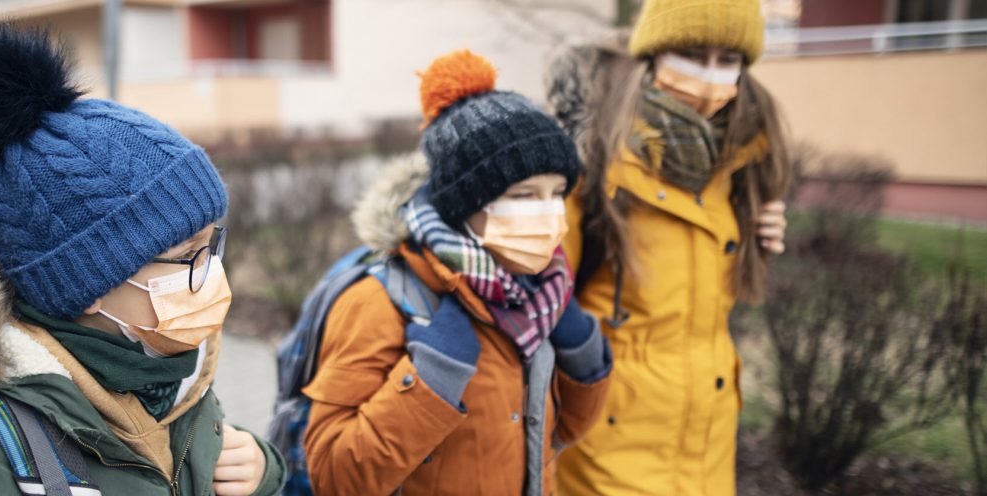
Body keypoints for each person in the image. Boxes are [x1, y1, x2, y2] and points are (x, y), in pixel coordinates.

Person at [0, 21, 284, 495]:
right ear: (88, 286)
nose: (212, 271)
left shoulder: (163, 371)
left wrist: (261, 468)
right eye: (186, 255)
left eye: (212, 244)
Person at [302, 50, 613, 495]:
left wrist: (581, 352)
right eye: (524, 195)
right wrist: (430, 380)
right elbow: (334, 477)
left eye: (557, 193)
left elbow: (559, 435)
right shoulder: (380, 302)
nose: (548, 214)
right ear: (464, 205)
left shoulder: (539, 298)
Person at [545, 1, 791, 494]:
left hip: (708, 440)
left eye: (727, 59)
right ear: (654, 54)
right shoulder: (591, 159)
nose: (709, 74)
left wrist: (754, 239)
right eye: (692, 54)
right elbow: (543, 296)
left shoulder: (743, 156)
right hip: (606, 443)